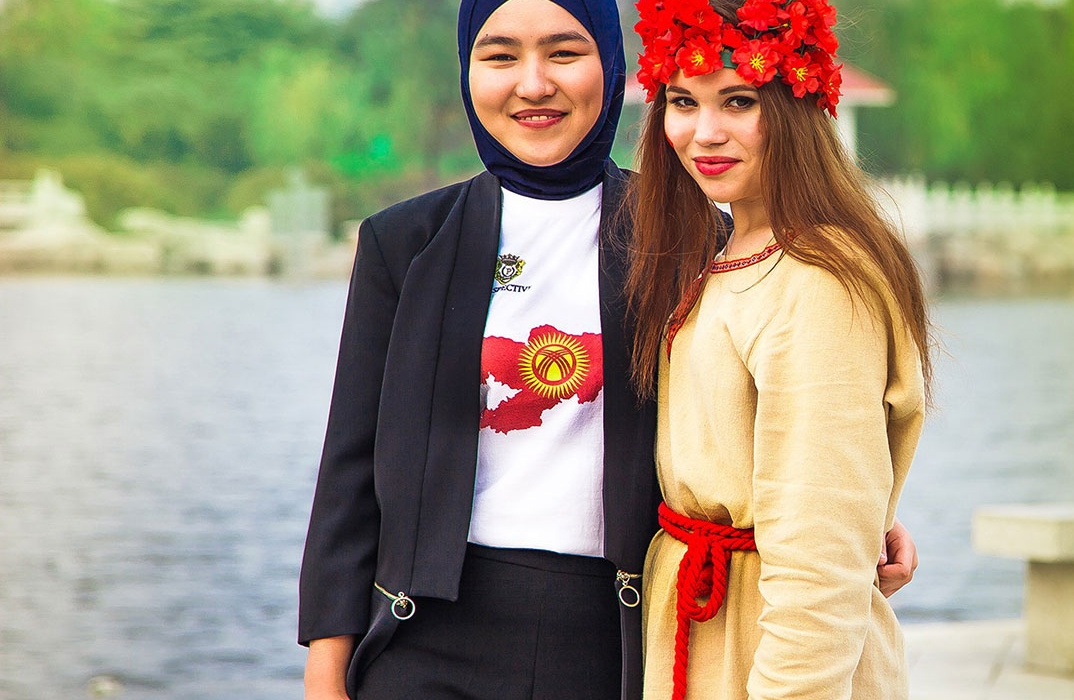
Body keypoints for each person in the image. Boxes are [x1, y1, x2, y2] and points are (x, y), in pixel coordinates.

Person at [298, 1, 917, 698]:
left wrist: (866, 514)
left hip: (619, 635)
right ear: (467, 69)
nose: (533, 84)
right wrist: (327, 661)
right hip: (429, 635)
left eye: (564, 52)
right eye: (499, 57)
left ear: (613, 66)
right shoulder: (406, 243)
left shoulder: (690, 235)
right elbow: (349, 469)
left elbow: (782, 418)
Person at [624, 0, 933, 698]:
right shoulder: (729, 250)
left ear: (795, 107)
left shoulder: (818, 280)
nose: (704, 133)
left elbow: (818, 569)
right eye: (681, 101)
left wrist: (848, 526)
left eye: (738, 100)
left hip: (773, 650)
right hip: (712, 626)